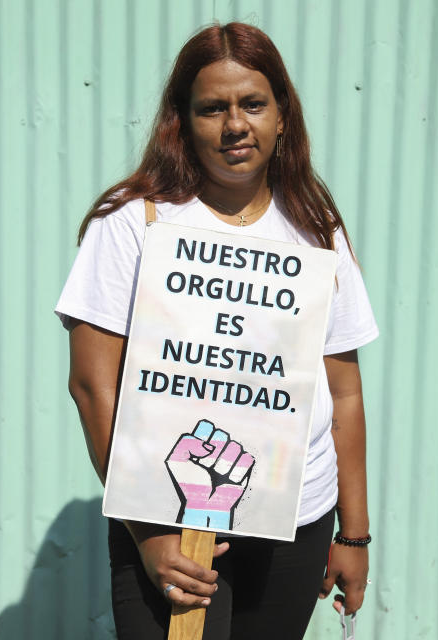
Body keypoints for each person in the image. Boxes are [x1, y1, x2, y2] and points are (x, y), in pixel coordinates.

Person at [55, 22, 378, 639]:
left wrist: (353, 533)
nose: (236, 124)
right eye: (213, 108)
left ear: (282, 115)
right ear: (183, 120)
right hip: (171, 520)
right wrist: (149, 535)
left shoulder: (316, 229)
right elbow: (93, 388)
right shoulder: (132, 223)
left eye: (253, 104)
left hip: (296, 521)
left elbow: (343, 395)